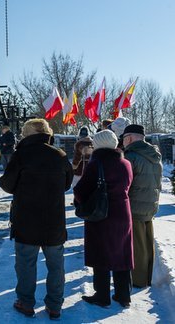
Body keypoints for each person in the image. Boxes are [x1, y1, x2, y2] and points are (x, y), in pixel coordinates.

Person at [0, 118, 73, 320]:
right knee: (56, 265)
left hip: (26, 220)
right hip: (54, 220)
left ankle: (26, 302)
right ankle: (55, 305)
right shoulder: (59, 155)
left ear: (28, 134)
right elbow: (67, 183)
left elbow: (6, 184)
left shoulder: (21, 155)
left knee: (25, 264)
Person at [74, 130, 134, 308]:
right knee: (122, 253)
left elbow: (80, 190)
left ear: (98, 144)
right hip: (123, 211)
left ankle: (102, 296)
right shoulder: (126, 163)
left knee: (101, 253)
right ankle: (123, 296)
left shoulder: (95, 164)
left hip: (101, 213)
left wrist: (82, 201)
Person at [122, 124, 162, 288]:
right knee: (146, 242)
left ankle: (138, 280)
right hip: (150, 203)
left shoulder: (131, 156)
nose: (123, 142)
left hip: (135, 205)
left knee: (137, 246)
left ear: (129, 138)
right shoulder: (155, 155)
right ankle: (146, 277)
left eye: (123, 138)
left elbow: (126, 183)